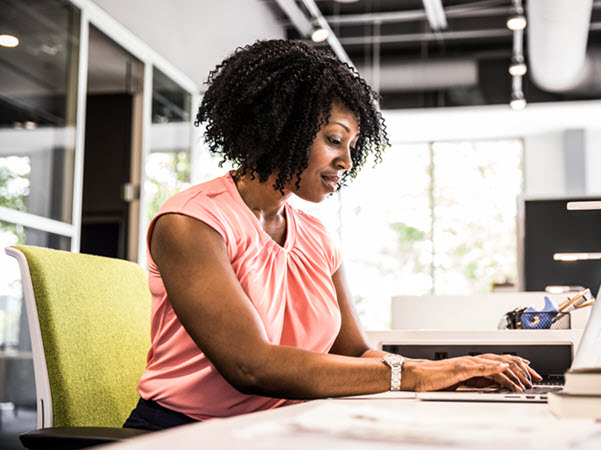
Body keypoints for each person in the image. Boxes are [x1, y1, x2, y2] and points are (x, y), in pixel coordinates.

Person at [124, 39, 541, 431]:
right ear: (282, 128)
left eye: (353, 145)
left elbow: (354, 353)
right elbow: (251, 366)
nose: (346, 160)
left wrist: (445, 374)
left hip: (280, 428)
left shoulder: (316, 236)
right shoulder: (192, 222)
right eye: (334, 140)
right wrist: (416, 374)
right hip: (184, 433)